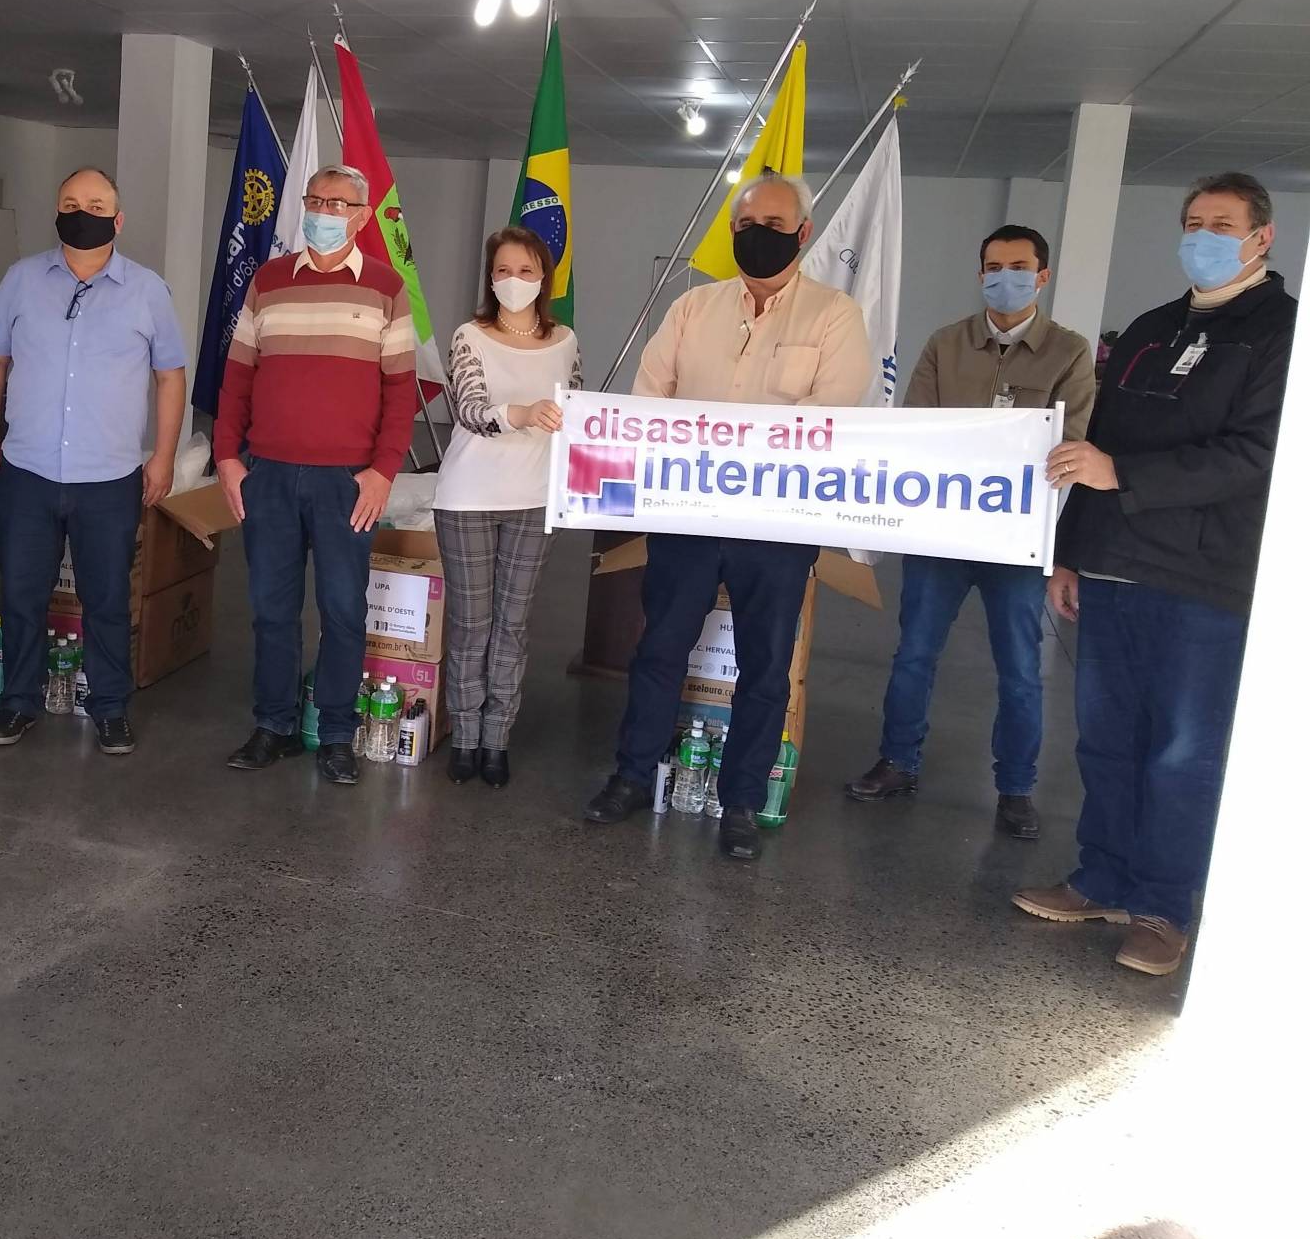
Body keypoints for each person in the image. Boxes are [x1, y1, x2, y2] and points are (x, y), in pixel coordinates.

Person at [1017, 172, 1294, 977]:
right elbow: (1096, 446)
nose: (1203, 237)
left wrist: (1125, 479)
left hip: (1204, 577)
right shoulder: (1150, 327)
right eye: (1193, 222)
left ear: (1262, 237)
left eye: (1222, 224)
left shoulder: (1281, 332)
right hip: (1112, 567)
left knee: (1181, 752)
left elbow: (1256, 454)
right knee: (1105, 739)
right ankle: (1103, 877)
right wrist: (1071, 551)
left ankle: (1164, 907)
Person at [583, 170, 871, 859]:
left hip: (776, 526)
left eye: (773, 227)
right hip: (688, 516)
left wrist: (733, 445)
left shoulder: (834, 315)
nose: (757, 237)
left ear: (803, 233)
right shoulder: (693, 307)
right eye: (745, 226)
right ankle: (632, 775)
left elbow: (832, 413)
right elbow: (650, 396)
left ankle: (741, 800)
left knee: (766, 668)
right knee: (659, 650)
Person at [846, 226, 1097, 838]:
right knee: (914, 654)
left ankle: (1016, 787)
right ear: (980, 273)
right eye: (993, 266)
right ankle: (898, 761)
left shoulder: (1068, 352)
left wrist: (982, 453)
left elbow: (1069, 446)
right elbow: (919, 431)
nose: (1004, 277)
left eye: (1018, 267)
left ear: (1042, 276)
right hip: (941, 533)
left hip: (1015, 540)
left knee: (1020, 669)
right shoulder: (946, 343)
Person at [214, 164, 419, 786]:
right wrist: (227, 458)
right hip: (269, 476)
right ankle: (273, 725)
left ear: (361, 216)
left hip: (347, 484)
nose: (323, 212)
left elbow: (401, 391)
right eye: (315, 200)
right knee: (271, 610)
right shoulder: (268, 281)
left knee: (343, 612)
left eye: (338, 204)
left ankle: (335, 733)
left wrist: (383, 472)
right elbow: (237, 377)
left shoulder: (386, 288)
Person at [0, 168, 187, 755]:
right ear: (56, 212)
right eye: (70, 204)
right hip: (27, 470)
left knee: (107, 599)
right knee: (21, 595)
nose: (81, 213)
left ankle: (110, 707)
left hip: (109, 477)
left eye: (95, 205)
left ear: (117, 220)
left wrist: (164, 456)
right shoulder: (22, 279)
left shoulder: (147, 290)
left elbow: (170, 377)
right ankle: (18, 702)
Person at [433, 226, 581, 789]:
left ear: (543, 278)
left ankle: (497, 739)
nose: (513, 280)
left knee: (512, 626)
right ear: (489, 278)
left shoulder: (565, 341)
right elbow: (469, 409)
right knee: (472, 625)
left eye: (524, 271)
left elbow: (577, 408)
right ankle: (464, 736)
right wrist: (521, 413)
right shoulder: (469, 336)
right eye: (502, 271)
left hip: (536, 500)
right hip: (469, 498)